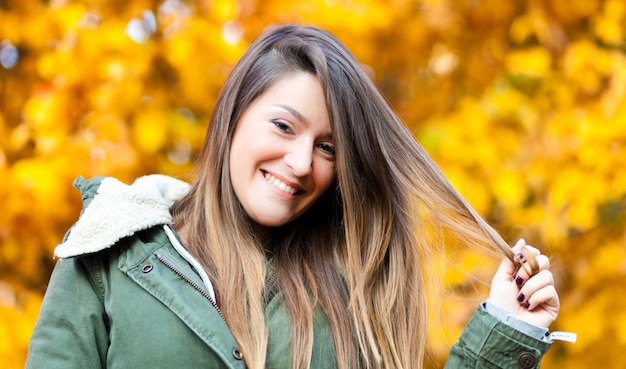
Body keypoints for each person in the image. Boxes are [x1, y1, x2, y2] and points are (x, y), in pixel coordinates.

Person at [26, 24, 561, 369]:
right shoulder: (110, 253)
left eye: (327, 147)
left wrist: (508, 329)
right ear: (233, 116)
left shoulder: (354, 294)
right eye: (284, 126)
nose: (302, 163)